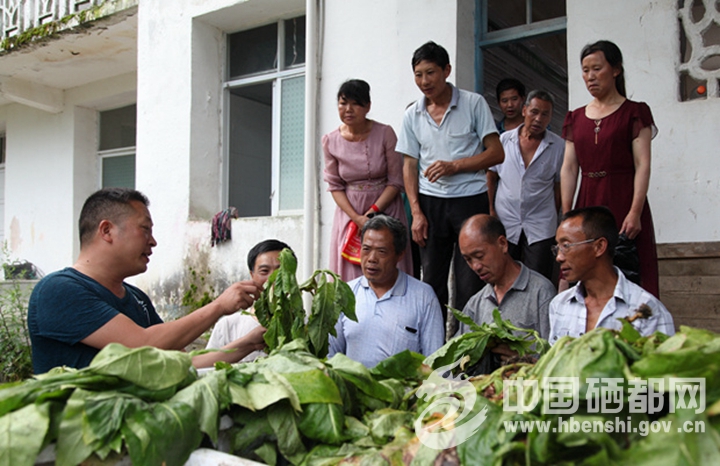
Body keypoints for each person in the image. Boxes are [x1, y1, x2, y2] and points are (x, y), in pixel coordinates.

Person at [27, 188, 266, 374]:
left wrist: (248, 344)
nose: (153, 242)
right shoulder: (59, 290)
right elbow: (143, 344)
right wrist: (219, 306)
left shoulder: (136, 298)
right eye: (145, 229)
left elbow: (183, 362)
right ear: (107, 231)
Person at [396, 41, 504, 323]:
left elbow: (496, 153)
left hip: (470, 201)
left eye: (430, 73)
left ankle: (467, 339)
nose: (424, 81)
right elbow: (409, 165)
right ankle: (434, 340)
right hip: (430, 204)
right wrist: (416, 213)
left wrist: (455, 166)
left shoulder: (473, 103)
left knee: (471, 279)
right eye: (418, 75)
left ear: (447, 70)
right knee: (432, 279)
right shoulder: (412, 114)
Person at [560, 40, 660, 297]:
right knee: (585, 269)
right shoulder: (575, 117)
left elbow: (643, 164)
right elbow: (569, 168)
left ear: (616, 70)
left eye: (597, 68)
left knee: (631, 272)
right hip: (587, 201)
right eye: (585, 71)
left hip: (623, 200)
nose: (590, 76)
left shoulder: (635, 112)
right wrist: (567, 214)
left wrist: (635, 212)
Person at [323, 79, 412, 282]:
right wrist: (357, 218)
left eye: (356, 104)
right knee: (351, 270)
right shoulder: (330, 140)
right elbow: (335, 185)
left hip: (386, 206)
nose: (348, 109)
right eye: (343, 103)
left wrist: (372, 212)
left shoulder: (385, 133)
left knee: (388, 260)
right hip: (350, 212)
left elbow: (396, 180)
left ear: (368, 106)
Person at [329, 214, 444, 368]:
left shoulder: (423, 297)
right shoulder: (345, 294)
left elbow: (434, 362)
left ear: (400, 254)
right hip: (353, 383)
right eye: (366, 249)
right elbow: (331, 357)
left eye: (381, 251)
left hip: (404, 384)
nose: (371, 258)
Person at [548, 206, 675, 344]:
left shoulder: (647, 309)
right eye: (557, 248)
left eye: (566, 246)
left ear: (599, 247)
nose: (559, 257)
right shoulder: (560, 305)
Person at [487, 90, 564, 281]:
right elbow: (490, 176)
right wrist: (491, 210)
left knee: (539, 279)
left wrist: (553, 216)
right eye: (534, 112)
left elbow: (558, 187)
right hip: (506, 220)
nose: (538, 119)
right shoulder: (504, 140)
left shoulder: (558, 146)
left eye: (545, 114)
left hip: (540, 225)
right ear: (524, 110)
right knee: (504, 275)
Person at [457, 214, 554, 339]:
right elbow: (460, 349)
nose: (476, 266)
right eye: (468, 260)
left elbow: (554, 348)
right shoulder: (475, 304)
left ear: (502, 244)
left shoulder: (541, 293)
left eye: (480, 256)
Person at [206, 239, 293, 362]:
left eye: (281, 271)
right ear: (252, 275)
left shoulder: (305, 325)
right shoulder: (227, 325)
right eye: (264, 271)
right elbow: (207, 367)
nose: (273, 279)